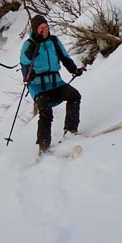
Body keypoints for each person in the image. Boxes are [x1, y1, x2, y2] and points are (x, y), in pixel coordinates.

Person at [20, 15, 84, 153]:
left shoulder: (54, 41)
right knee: (45, 111)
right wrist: (34, 46)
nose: (44, 30)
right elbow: (25, 61)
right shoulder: (29, 44)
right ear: (35, 30)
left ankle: (70, 131)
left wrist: (74, 69)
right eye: (41, 28)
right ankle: (43, 147)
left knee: (74, 95)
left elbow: (64, 57)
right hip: (38, 87)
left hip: (56, 83)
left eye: (46, 27)